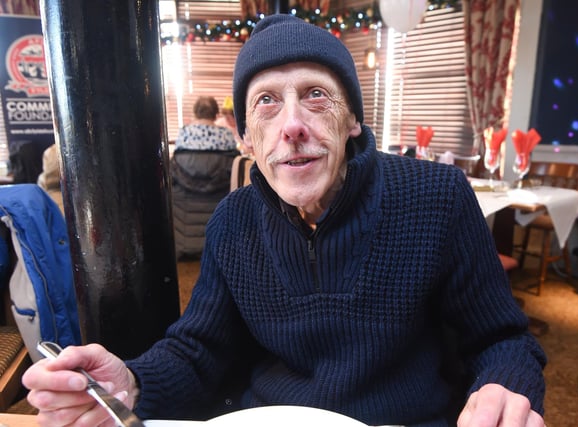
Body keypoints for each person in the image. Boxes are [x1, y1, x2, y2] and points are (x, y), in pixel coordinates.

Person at [22, 14, 546, 427]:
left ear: (353, 121)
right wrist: (130, 382)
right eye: (267, 103)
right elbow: (200, 350)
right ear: (247, 139)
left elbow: (503, 339)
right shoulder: (233, 221)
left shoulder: (437, 197)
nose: (292, 125)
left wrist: (506, 383)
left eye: (316, 95)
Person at [171, 96, 240, 258]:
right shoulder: (226, 137)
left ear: (195, 113)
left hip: (182, 248)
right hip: (220, 248)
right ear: (216, 114)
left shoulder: (184, 135)